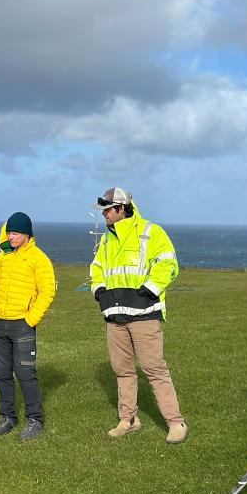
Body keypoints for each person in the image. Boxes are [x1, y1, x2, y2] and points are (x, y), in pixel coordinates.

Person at [90, 187, 188, 443]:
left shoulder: (151, 232)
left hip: (144, 315)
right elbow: (98, 267)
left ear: (122, 208)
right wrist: (99, 291)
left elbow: (169, 263)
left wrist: (148, 291)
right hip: (115, 316)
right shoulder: (107, 239)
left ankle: (176, 423)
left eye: (108, 210)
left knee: (154, 369)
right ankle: (129, 420)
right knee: (122, 370)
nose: (105, 216)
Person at [0, 212, 55, 440]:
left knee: (25, 373)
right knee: (2, 373)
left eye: (14, 233)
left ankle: (35, 420)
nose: (10, 237)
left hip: (22, 325)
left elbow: (47, 291)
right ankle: (7, 417)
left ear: (27, 234)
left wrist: (30, 319)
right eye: (8, 232)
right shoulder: (2, 257)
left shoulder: (38, 258)